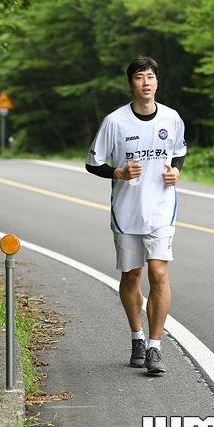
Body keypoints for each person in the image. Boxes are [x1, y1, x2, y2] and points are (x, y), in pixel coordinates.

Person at [85, 56, 186, 375]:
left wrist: (176, 172)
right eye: (140, 77)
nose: (146, 83)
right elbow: (92, 163)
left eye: (151, 77)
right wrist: (118, 172)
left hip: (161, 209)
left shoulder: (171, 118)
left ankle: (155, 347)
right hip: (127, 212)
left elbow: (179, 152)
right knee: (131, 275)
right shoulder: (115, 122)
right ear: (131, 84)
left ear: (157, 82)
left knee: (158, 273)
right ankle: (137, 338)